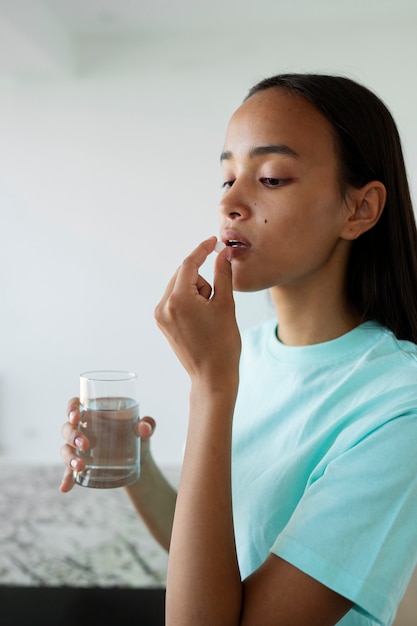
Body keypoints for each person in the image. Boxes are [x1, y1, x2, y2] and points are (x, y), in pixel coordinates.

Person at [60, 73, 417, 625]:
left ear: (359, 210)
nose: (231, 199)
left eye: (271, 178)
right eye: (227, 176)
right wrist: (134, 464)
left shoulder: (401, 404)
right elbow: (211, 552)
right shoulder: (242, 352)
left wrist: (211, 386)